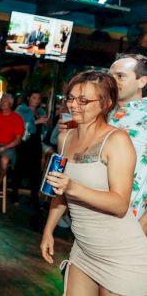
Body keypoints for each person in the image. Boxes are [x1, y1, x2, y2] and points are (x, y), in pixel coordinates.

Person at [40, 71, 147, 295]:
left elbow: (119, 205)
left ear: (106, 103)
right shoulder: (65, 138)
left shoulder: (117, 140)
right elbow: (61, 192)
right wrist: (48, 230)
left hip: (120, 254)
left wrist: (73, 187)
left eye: (83, 100)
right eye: (70, 98)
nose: (73, 106)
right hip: (83, 248)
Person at [109, 54, 147, 233]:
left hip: (132, 217)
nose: (112, 81)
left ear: (142, 82)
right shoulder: (102, 110)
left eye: (120, 76)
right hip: (94, 211)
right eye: (111, 75)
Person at [12, 90, 48, 208]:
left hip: (36, 142)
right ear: (28, 98)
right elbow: (19, 124)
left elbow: (44, 128)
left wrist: (45, 123)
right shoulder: (21, 109)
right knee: (19, 168)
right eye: (34, 98)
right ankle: (15, 195)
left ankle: (34, 197)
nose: (36, 100)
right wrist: (37, 122)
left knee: (36, 171)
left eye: (38, 98)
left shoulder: (41, 111)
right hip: (25, 141)